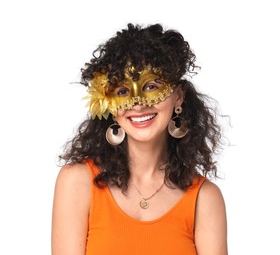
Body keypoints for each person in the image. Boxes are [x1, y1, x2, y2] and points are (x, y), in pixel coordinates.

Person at [51, 23, 228, 255]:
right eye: (123, 91)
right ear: (109, 105)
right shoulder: (77, 182)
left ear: (178, 96)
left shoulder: (204, 198)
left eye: (152, 86)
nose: (139, 103)